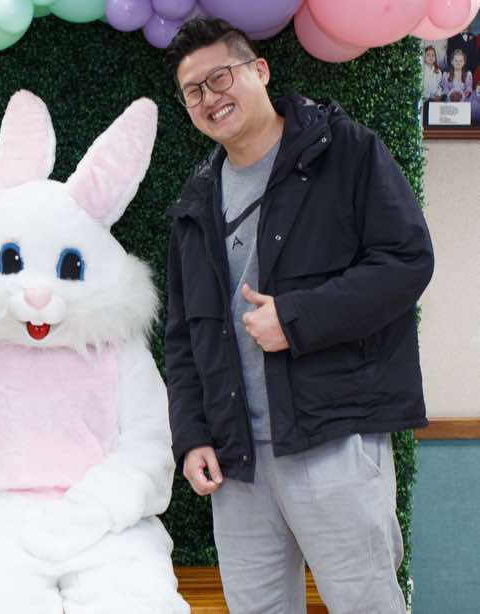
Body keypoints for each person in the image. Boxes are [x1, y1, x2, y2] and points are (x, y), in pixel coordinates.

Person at [163, 18, 433, 614]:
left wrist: (297, 318)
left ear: (259, 71)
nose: (209, 98)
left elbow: (407, 261)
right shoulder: (195, 200)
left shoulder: (348, 151)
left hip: (333, 439)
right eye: (193, 91)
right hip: (237, 460)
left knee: (365, 605)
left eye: (220, 77)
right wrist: (193, 435)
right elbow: (182, 337)